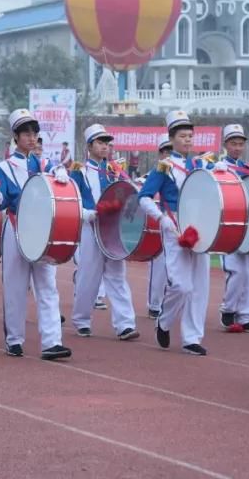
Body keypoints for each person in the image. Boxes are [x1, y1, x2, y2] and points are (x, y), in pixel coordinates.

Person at [0, 109, 71, 361]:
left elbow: (57, 188)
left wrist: (61, 174)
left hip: (42, 231)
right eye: (26, 134)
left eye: (34, 133)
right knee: (15, 287)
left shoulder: (44, 165)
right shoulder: (1, 167)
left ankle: (52, 342)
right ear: (15, 137)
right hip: (15, 228)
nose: (32, 138)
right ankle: (14, 339)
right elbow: (0, 201)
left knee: (48, 286)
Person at [139, 111, 209, 356]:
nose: (187, 140)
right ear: (171, 139)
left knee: (199, 286)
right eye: (182, 136)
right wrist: (162, 218)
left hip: (200, 226)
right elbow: (144, 197)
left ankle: (191, 338)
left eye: (190, 136)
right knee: (181, 285)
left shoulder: (200, 165)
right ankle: (165, 320)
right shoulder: (164, 167)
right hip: (174, 226)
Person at [70, 124, 139, 341]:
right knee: (88, 276)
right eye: (100, 143)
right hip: (90, 227)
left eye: (107, 143)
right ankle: (82, 320)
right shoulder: (79, 171)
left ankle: (125, 324)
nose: (105, 147)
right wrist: (86, 214)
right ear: (89, 146)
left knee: (117, 275)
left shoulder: (114, 170)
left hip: (112, 229)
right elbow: (73, 200)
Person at [214, 124, 249, 334]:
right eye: (233, 143)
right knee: (236, 271)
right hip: (229, 224)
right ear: (225, 145)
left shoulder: (248, 168)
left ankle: (245, 316)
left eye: (240, 144)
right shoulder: (217, 167)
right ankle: (228, 310)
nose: (237, 147)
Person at [146, 137, 173, 321]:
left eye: (171, 150)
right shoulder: (154, 173)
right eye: (166, 151)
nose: (168, 154)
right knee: (159, 267)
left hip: (179, 223)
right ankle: (155, 305)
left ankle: (171, 304)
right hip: (159, 224)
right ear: (160, 154)